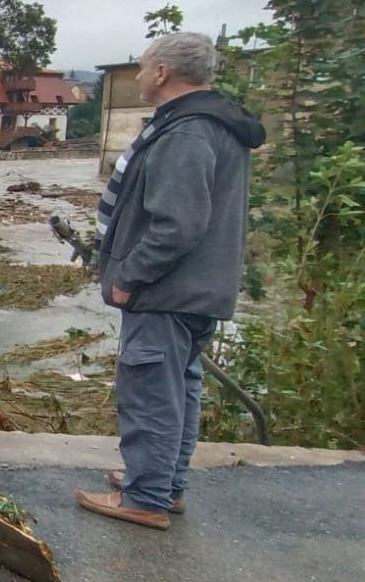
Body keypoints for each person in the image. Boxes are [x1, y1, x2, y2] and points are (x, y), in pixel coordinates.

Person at [75, 32, 266, 530]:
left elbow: (177, 224)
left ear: (162, 73)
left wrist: (129, 277)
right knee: (179, 389)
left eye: (141, 67)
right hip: (197, 288)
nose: (137, 76)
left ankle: (144, 498)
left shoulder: (185, 133)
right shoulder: (213, 124)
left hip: (166, 290)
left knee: (150, 393)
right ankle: (161, 484)